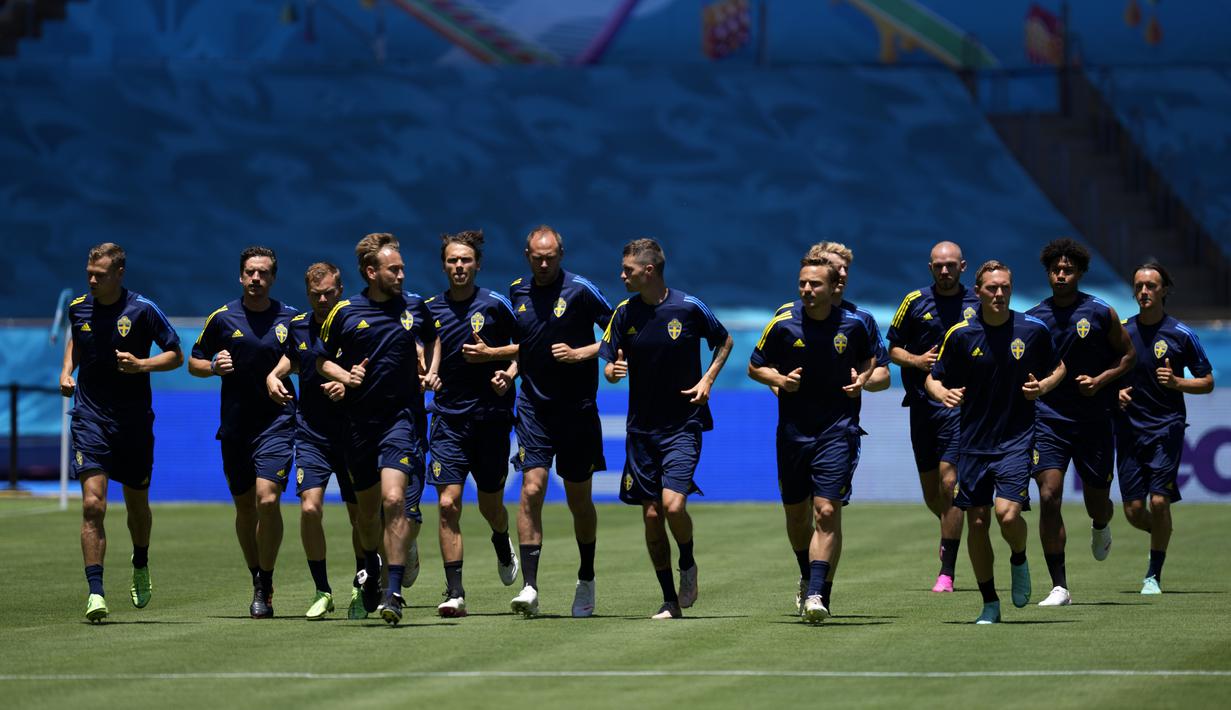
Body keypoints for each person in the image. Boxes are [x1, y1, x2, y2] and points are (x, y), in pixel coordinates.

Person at [599, 238, 734, 619]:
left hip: (683, 424)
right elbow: (608, 361)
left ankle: (688, 563)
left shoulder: (688, 308)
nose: (622, 275)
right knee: (652, 515)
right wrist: (612, 372)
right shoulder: (624, 313)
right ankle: (669, 601)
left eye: (628, 269)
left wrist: (708, 379)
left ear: (649, 270)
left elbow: (724, 341)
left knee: (673, 505)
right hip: (641, 430)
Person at [926, 260, 1065, 624]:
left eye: (1004, 287)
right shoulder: (960, 334)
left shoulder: (1032, 330)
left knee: (1007, 515)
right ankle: (989, 602)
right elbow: (933, 377)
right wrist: (942, 392)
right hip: (972, 442)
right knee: (976, 522)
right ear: (978, 292)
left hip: (1017, 439)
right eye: (992, 288)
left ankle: (1019, 556)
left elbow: (1060, 367)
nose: (999, 293)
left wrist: (1044, 387)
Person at [315, 233, 439, 625]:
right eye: (394, 269)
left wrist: (430, 372)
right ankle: (370, 562)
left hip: (401, 421)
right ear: (372, 272)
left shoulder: (416, 308)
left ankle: (395, 591)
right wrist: (344, 376)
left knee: (394, 500)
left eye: (402, 268)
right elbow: (319, 359)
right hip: (357, 425)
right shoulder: (345, 312)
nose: (402, 274)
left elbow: (434, 338)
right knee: (366, 514)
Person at [749, 255, 877, 623]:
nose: (807, 289)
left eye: (815, 284)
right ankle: (808, 575)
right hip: (793, 433)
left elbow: (873, 360)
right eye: (803, 283)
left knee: (826, 510)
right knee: (796, 515)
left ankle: (818, 592)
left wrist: (862, 380)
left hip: (838, 430)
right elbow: (755, 366)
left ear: (833, 286)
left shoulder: (855, 324)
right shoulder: (783, 325)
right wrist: (780, 381)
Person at [60, 243, 182, 623]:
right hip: (89, 418)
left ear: (119, 274)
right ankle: (96, 593)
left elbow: (176, 354)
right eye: (89, 274)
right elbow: (76, 340)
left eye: (100, 274)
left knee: (137, 507)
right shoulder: (78, 307)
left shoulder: (142, 309)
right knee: (93, 504)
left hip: (133, 423)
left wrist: (141, 364)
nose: (92, 280)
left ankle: (141, 560)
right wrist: (67, 371)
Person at [507, 226, 613, 617]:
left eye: (550, 256)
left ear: (561, 254)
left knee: (578, 500)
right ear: (527, 255)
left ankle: (586, 578)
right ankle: (530, 587)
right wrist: (508, 369)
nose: (545, 262)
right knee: (531, 489)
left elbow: (617, 334)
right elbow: (525, 344)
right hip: (534, 408)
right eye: (538, 256)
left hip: (578, 410)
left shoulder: (581, 290)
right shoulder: (517, 291)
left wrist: (580, 353)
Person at [189, 247, 298, 618]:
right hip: (235, 427)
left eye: (263, 273)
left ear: (273, 278)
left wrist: (283, 374)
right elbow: (193, 361)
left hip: (278, 423)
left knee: (268, 500)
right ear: (240, 276)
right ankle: (256, 576)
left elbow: (305, 357)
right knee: (245, 507)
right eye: (250, 272)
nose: (256, 279)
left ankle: (265, 581)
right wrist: (212, 367)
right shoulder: (222, 318)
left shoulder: (289, 318)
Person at [1026, 239, 1135, 607]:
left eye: (1068, 269)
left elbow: (1128, 356)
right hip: (1049, 420)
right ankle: (1060, 587)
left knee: (1097, 503)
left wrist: (1101, 382)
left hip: (1094, 421)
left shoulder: (1102, 312)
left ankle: (1102, 524)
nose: (1061, 274)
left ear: (1080, 273)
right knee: (1048, 495)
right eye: (1055, 269)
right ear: (1048, 273)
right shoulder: (1034, 318)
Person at [424, 230, 521, 618]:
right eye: (452, 261)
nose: (459, 266)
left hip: (491, 421)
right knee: (447, 504)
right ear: (444, 265)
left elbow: (529, 344)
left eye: (465, 260)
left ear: (477, 265)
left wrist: (507, 371)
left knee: (490, 504)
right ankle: (455, 592)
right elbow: (417, 348)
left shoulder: (496, 305)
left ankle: (501, 537)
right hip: (448, 420)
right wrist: (425, 373)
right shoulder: (430, 310)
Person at [266, 262, 370, 619]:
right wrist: (274, 375)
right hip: (311, 433)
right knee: (310, 508)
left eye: (328, 293)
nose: (322, 299)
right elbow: (291, 359)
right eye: (315, 295)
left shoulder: (359, 323)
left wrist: (349, 383)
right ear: (307, 294)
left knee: (360, 518)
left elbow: (376, 367)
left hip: (354, 432)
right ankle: (322, 590)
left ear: (340, 290)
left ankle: (362, 583)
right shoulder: (298, 327)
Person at [1115, 262, 1214, 595]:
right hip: (1128, 430)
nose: (1144, 291)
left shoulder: (1181, 334)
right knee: (1132, 512)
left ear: (1164, 290)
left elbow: (1208, 382)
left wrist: (1177, 382)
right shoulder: (1122, 333)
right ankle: (1162, 532)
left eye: (1151, 286)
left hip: (1166, 428)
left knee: (1159, 503)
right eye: (1139, 285)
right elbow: (1105, 375)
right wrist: (1116, 391)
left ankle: (1153, 575)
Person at [887, 241, 980, 594]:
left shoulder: (978, 302)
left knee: (949, 484)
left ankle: (947, 571)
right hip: (922, 407)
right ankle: (951, 530)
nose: (945, 271)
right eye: (939, 266)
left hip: (960, 408)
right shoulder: (914, 302)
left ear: (963, 266)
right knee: (934, 496)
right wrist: (917, 361)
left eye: (951, 265)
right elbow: (890, 349)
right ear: (930, 268)